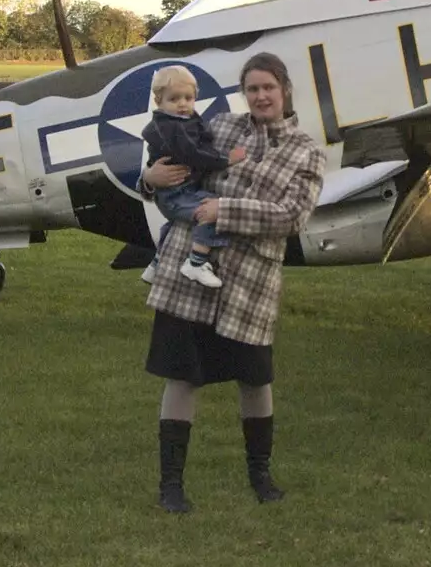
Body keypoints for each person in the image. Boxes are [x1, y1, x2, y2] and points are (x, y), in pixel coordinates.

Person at [139, 52, 325, 514]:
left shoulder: (306, 151)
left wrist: (226, 210)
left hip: (250, 284)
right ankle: (171, 486)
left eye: (269, 87)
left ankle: (260, 477)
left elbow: (291, 216)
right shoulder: (218, 128)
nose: (261, 96)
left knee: (255, 380)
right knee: (181, 377)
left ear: (284, 91)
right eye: (253, 88)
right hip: (191, 276)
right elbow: (173, 170)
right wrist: (146, 178)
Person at [140, 65, 247, 289]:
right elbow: (193, 154)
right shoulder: (171, 128)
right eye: (174, 99)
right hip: (175, 193)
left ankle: (156, 264)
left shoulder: (183, 122)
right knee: (211, 212)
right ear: (159, 101)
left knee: (174, 222)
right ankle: (196, 263)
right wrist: (226, 159)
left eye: (188, 98)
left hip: (178, 191)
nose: (182, 104)